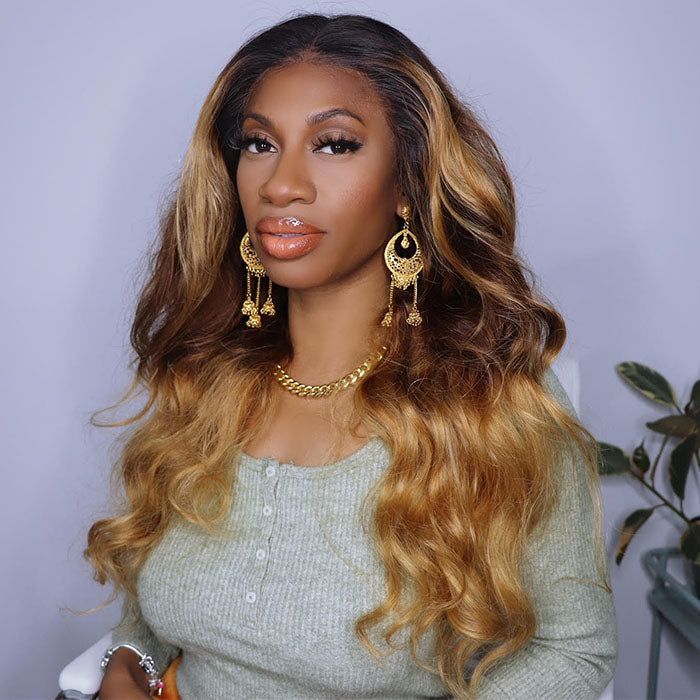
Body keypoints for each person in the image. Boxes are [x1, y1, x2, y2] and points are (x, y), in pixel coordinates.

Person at [85, 12, 617, 700]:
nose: (281, 184)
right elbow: (160, 603)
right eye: (259, 144)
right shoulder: (206, 380)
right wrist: (127, 661)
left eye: (334, 144)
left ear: (406, 184)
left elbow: (573, 652)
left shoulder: (493, 402)